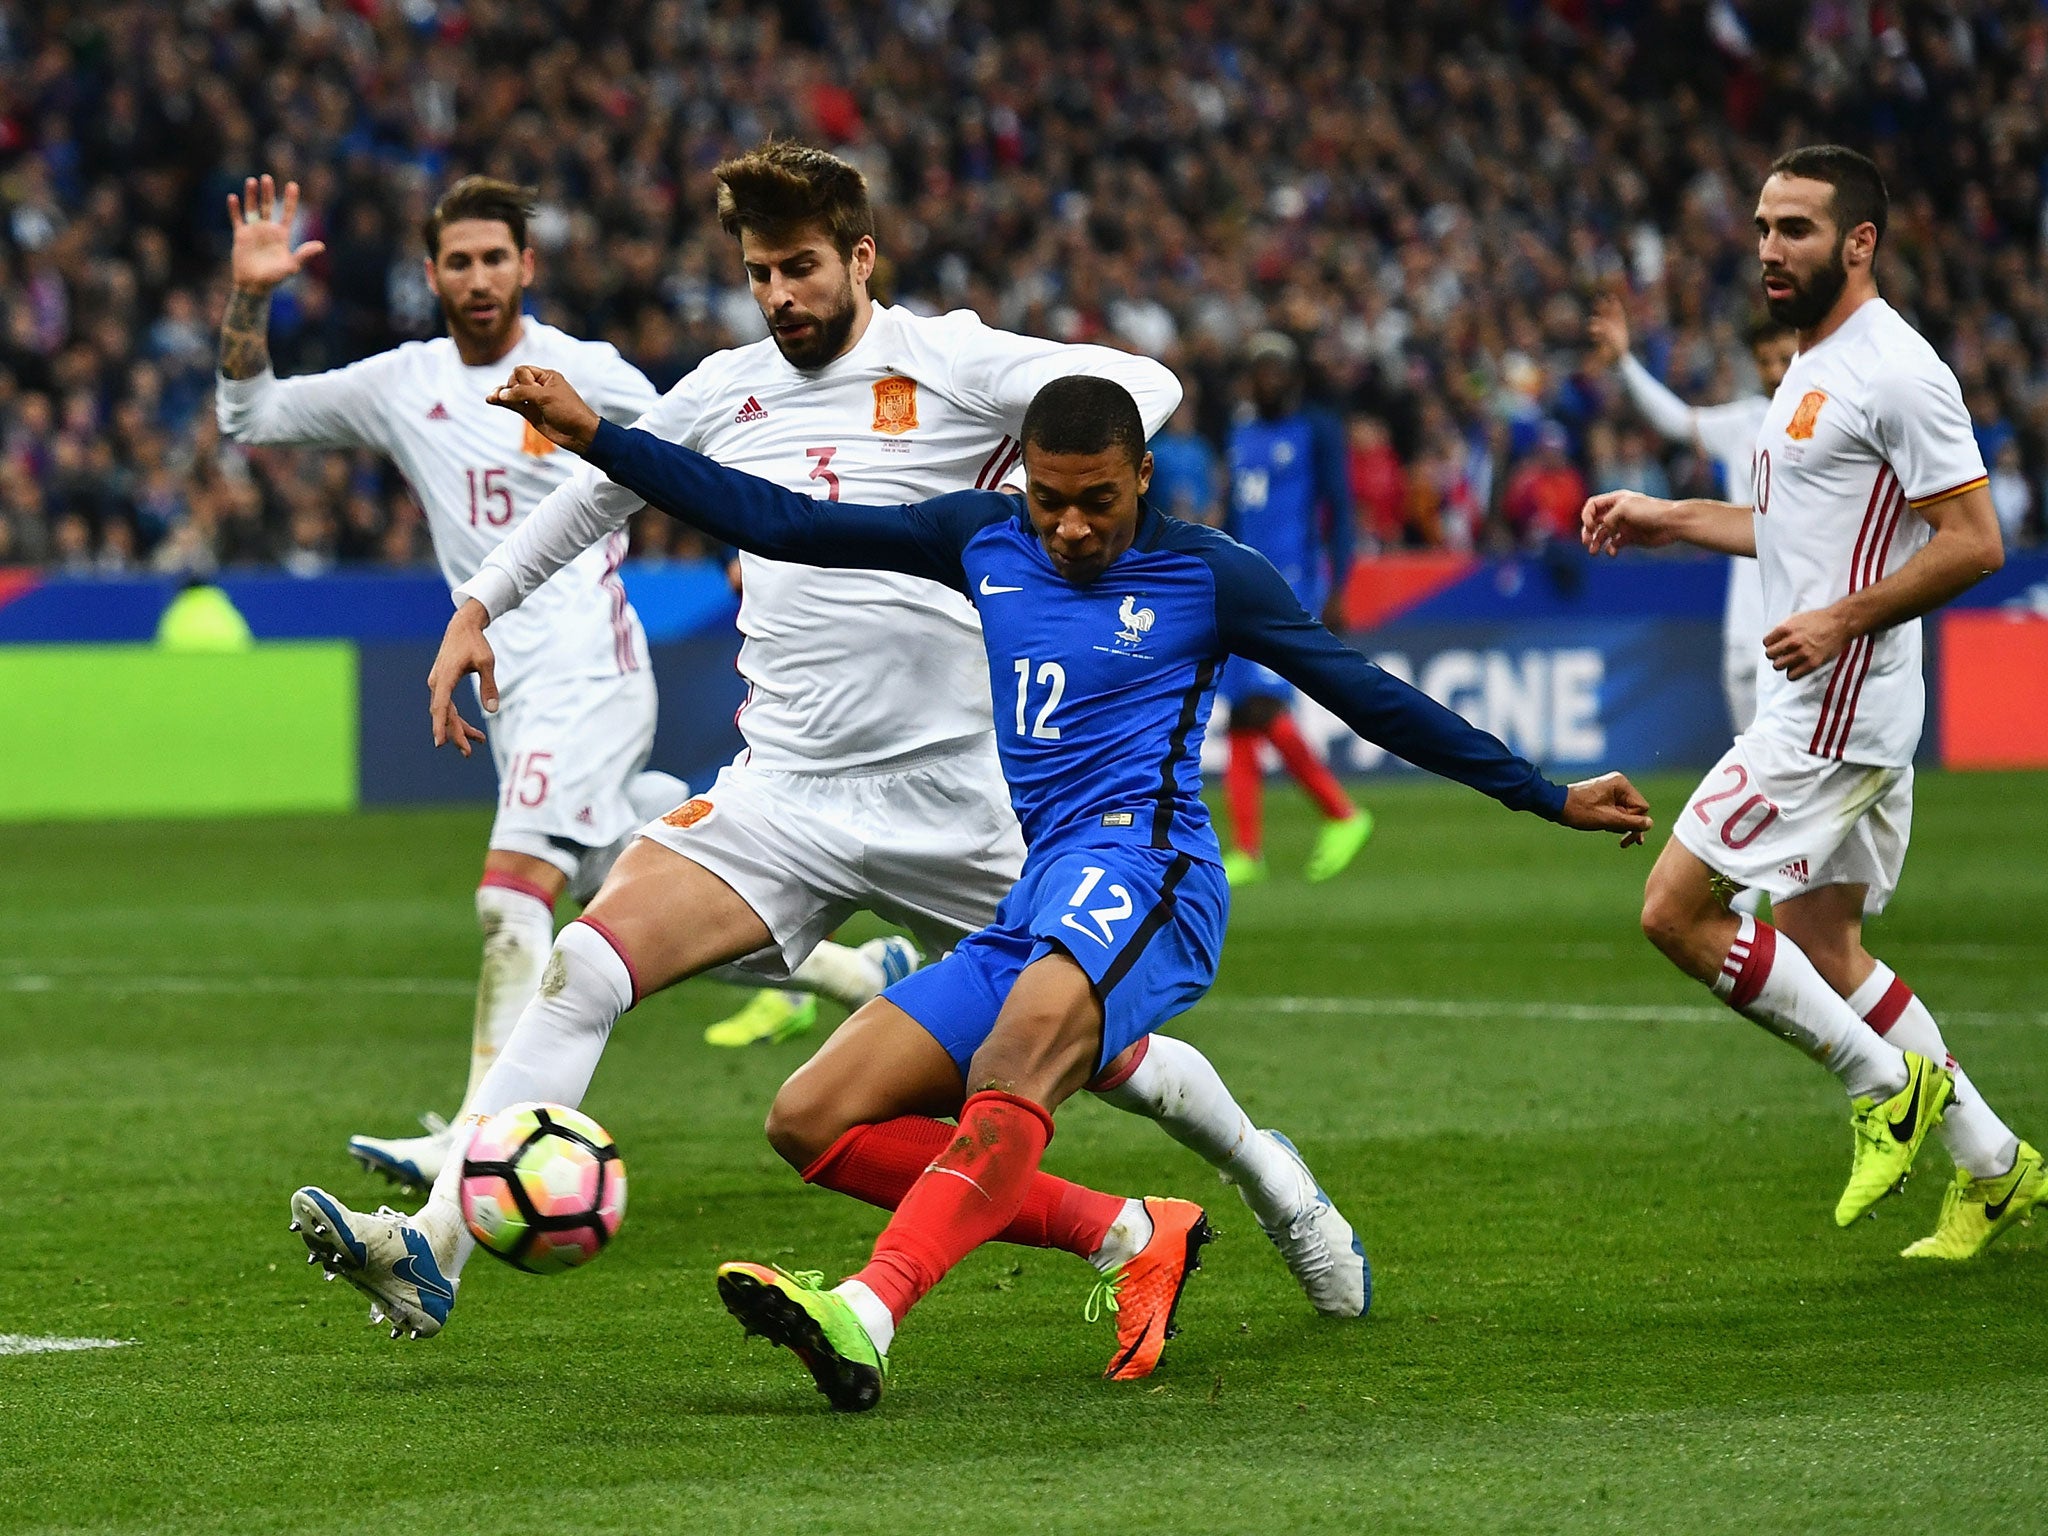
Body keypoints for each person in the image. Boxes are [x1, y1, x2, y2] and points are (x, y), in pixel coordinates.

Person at [287, 142, 1370, 1343]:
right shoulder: (722, 388)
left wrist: (1032, 466)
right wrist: (478, 607)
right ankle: (436, 1248)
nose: (780, 296)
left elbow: (1145, 386)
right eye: (758, 274)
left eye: (800, 268)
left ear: (861, 257)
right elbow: (598, 491)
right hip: (786, 794)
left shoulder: (951, 361)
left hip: (963, 801)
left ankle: (1270, 1182)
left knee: (1110, 1057)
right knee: (585, 965)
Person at [464, 366, 1653, 1409]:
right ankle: (1144, 1229)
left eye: (1098, 500)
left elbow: (1365, 693)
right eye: (1049, 500)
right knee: (811, 1120)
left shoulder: (1209, 576)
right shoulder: (978, 539)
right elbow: (779, 520)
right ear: (1020, 482)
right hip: (1042, 886)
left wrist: (1540, 794)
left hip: (1152, 872)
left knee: (1013, 1062)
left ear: (1144, 477)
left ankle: (867, 1313)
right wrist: (596, 437)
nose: (1072, 528)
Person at [213, 174, 889, 1189]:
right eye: (458, 261)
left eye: (496, 258)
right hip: (510, 684)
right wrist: (252, 296)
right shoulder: (403, 382)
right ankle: (860, 972)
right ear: (432, 274)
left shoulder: (583, 370)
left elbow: (696, 447)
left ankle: (473, 1150)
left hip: (587, 664)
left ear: (526, 267)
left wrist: (759, 549)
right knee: (647, 891)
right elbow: (249, 415)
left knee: (509, 899)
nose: (478, 278)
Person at [1583, 145, 2041, 1260]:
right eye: (1759, 227)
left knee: (1673, 911)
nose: (1767, 249)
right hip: (1832, 698)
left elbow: (1975, 541)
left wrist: (1842, 620)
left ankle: (1881, 1085)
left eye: (1793, 228)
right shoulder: (1808, 364)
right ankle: (1992, 1167)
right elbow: (1794, 531)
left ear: (1858, 241)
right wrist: (1668, 517)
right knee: (1819, 938)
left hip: (1831, 706)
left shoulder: (1894, 370)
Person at [1588, 295, 1797, 741]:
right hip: (1748, 630)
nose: (1776, 372)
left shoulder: (1834, 423)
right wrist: (1624, 361)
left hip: (1806, 625)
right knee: (1762, 778)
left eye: (1785, 357)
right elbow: (1676, 422)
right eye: (1765, 361)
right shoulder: (1747, 422)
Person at [1219, 331, 1373, 887]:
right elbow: (1235, 514)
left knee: (1259, 706)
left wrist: (1339, 587)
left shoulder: (1316, 430)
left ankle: (1343, 813)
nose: (1269, 380)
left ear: (1293, 377)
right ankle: (1246, 851)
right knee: (1240, 715)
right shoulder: (1239, 433)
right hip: (1242, 581)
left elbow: (1341, 511)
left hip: (1293, 582)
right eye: (1260, 370)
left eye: (1278, 370)